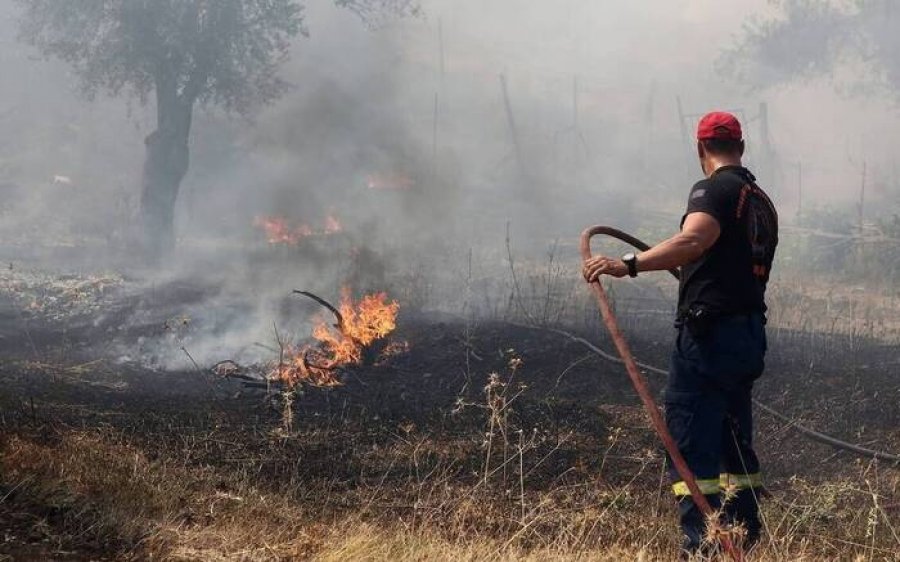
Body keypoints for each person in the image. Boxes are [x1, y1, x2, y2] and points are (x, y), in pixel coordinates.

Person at [582, 111, 778, 555]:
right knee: (733, 438)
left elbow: (694, 240)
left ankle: (701, 547)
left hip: (708, 338)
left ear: (699, 149)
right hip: (747, 334)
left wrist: (626, 264)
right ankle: (741, 538)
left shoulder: (713, 190)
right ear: (742, 146)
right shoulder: (760, 199)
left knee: (691, 441)